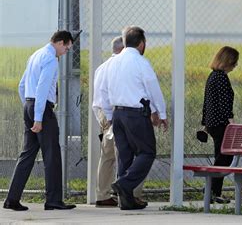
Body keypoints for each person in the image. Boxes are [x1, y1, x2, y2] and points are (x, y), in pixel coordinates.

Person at [3, 31, 77, 211]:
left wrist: (28, 107)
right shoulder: (51, 60)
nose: (66, 51)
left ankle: (12, 199)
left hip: (30, 104)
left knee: (27, 154)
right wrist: (38, 117)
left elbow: (22, 85)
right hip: (42, 109)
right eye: (67, 47)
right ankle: (53, 200)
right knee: (52, 155)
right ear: (60, 42)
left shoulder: (35, 55)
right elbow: (43, 88)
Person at [103, 26, 168, 210]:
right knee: (147, 152)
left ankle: (126, 200)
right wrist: (161, 113)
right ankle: (124, 184)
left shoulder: (113, 62)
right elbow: (152, 88)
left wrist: (110, 115)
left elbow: (107, 89)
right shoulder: (141, 62)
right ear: (141, 44)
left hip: (117, 113)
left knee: (125, 155)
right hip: (136, 114)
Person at [92, 36, 146, 207]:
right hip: (118, 113)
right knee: (132, 153)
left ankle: (102, 194)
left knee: (107, 156)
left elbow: (99, 96)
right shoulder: (124, 66)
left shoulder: (102, 67)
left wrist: (104, 119)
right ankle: (131, 193)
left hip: (104, 113)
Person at [201, 46, 239, 204]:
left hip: (212, 123)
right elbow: (224, 103)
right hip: (221, 123)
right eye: (234, 62)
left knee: (220, 156)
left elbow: (206, 102)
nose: (235, 66)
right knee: (224, 158)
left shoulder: (212, 76)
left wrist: (204, 122)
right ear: (228, 61)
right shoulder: (222, 78)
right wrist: (230, 120)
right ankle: (211, 189)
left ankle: (213, 191)